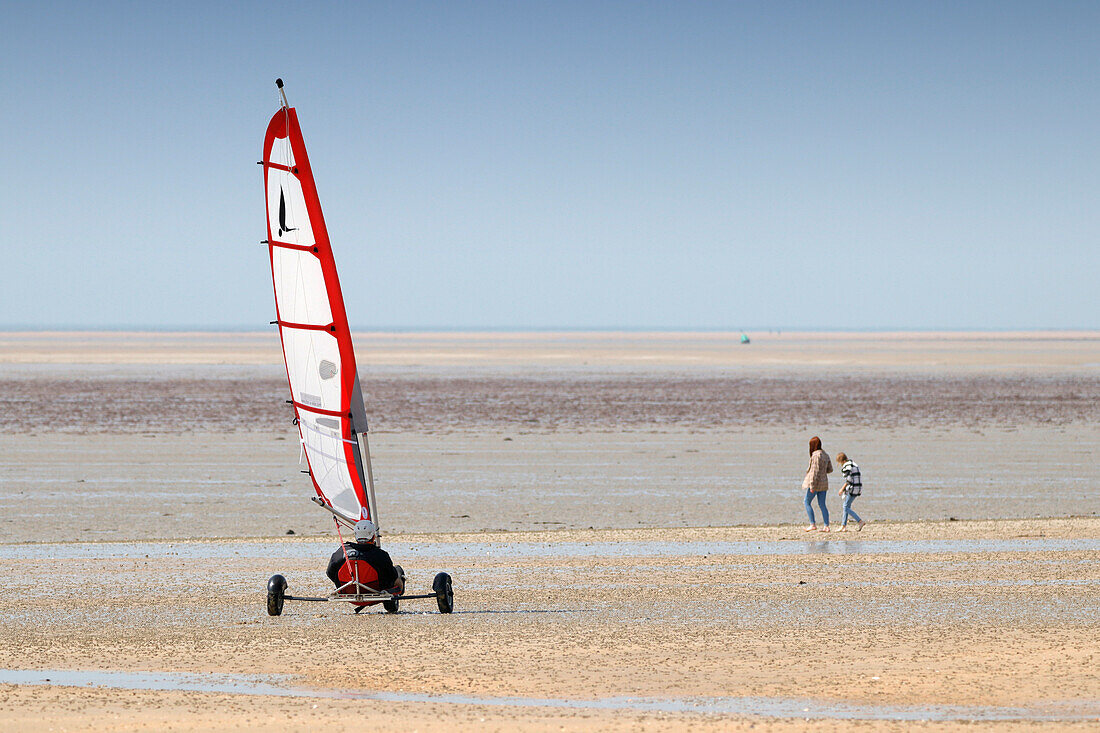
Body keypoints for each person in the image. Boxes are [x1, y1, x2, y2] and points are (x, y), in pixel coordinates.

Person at [326, 519, 404, 594]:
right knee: (398, 570)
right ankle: (393, 602)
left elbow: (330, 572)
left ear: (356, 536)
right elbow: (392, 576)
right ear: (373, 536)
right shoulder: (380, 554)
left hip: (348, 591)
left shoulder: (342, 551)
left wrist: (341, 586)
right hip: (376, 592)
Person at [802, 436, 833, 532]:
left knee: (807, 502)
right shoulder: (825, 454)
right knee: (822, 504)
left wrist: (812, 485)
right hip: (824, 483)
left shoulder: (815, 455)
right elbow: (830, 469)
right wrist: (823, 472)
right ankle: (826, 526)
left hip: (816, 484)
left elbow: (814, 472)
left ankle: (812, 524)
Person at [836, 452, 866, 531]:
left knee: (845, 507)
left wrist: (842, 489)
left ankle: (860, 521)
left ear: (841, 461)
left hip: (852, 489)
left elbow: (849, 480)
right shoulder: (854, 464)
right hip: (858, 488)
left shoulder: (847, 466)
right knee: (847, 506)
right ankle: (843, 526)